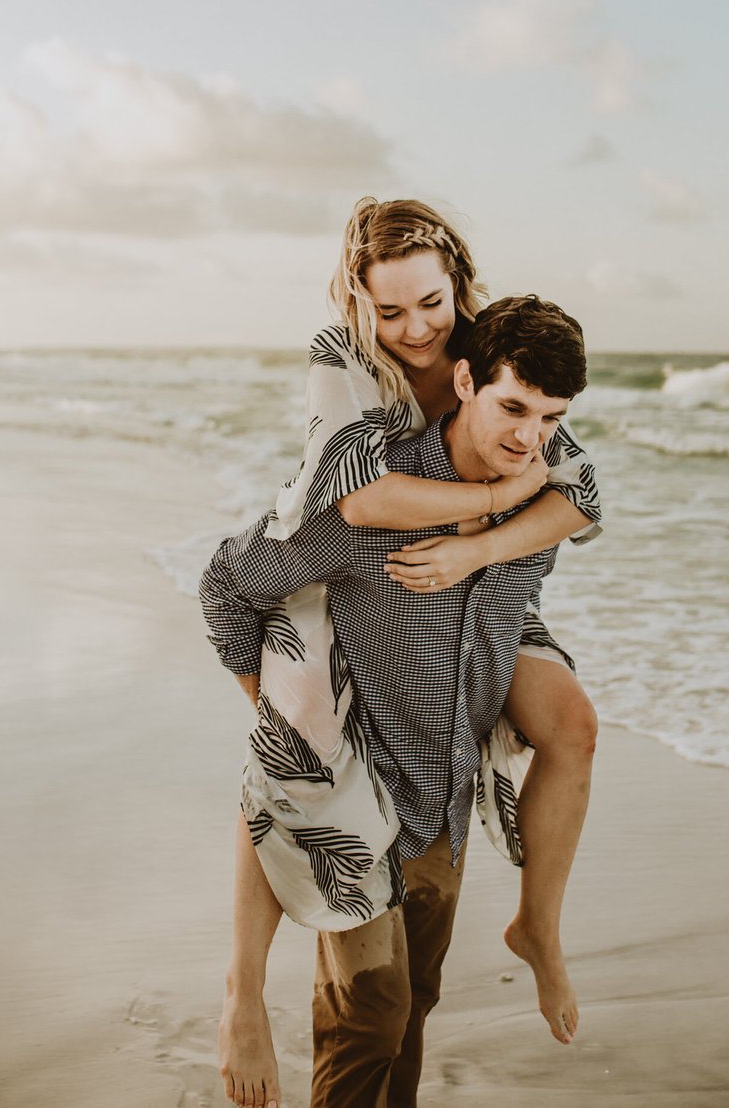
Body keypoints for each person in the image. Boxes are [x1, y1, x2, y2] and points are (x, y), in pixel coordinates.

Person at [206, 199, 601, 1107]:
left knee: (412, 1004)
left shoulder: (517, 406)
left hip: (451, 738)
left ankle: (538, 928)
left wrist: (484, 538)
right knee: (371, 1005)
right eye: (392, 313)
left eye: (433, 305)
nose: (417, 331)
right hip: (348, 664)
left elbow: (580, 493)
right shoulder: (347, 377)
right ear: (359, 305)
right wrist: (270, 701)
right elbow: (346, 511)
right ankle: (242, 992)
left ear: (459, 290)